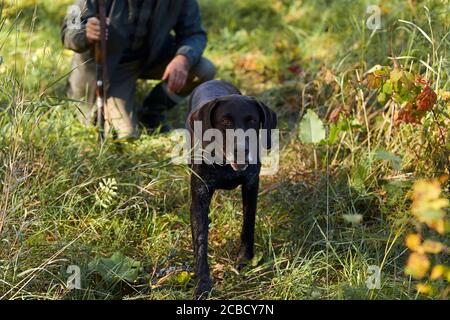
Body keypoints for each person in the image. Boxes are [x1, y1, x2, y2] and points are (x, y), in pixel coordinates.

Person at [61, 0, 215, 139]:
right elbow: (69, 28)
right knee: (126, 134)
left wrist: (183, 59)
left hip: (151, 56)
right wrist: (85, 33)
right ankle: (115, 102)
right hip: (110, 67)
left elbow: (194, 33)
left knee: (203, 70)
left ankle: (152, 110)